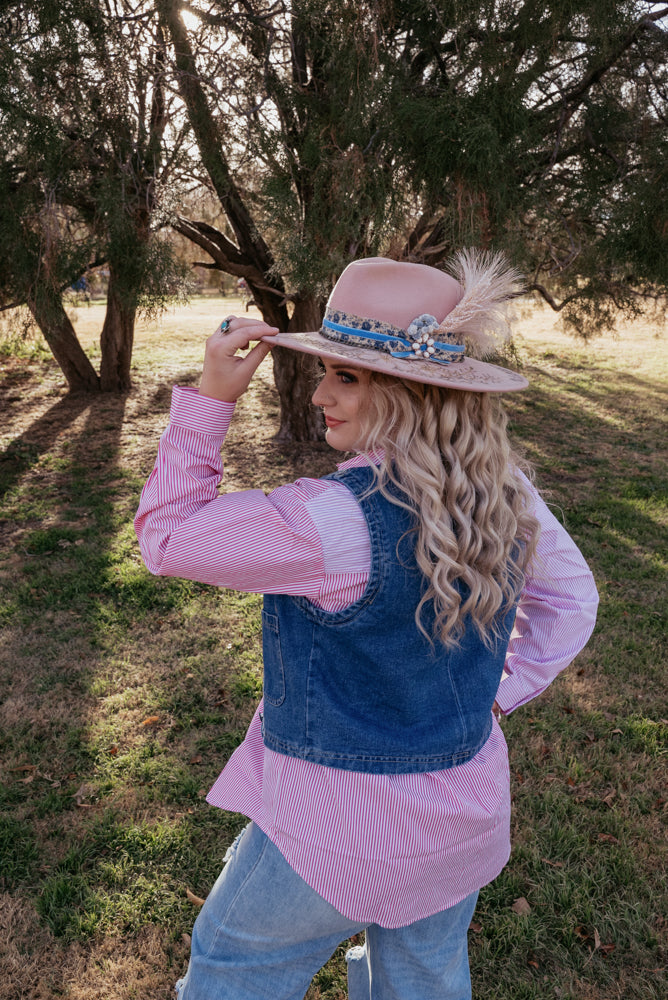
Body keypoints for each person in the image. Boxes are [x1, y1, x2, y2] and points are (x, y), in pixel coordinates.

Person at [135, 253, 598, 1000]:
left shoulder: (331, 523)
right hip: (461, 817)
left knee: (232, 968)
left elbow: (166, 537)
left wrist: (212, 395)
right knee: (422, 982)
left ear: (410, 390)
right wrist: (495, 696)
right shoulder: (502, 492)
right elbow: (571, 602)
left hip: (331, 832)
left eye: (344, 376)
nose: (318, 393)